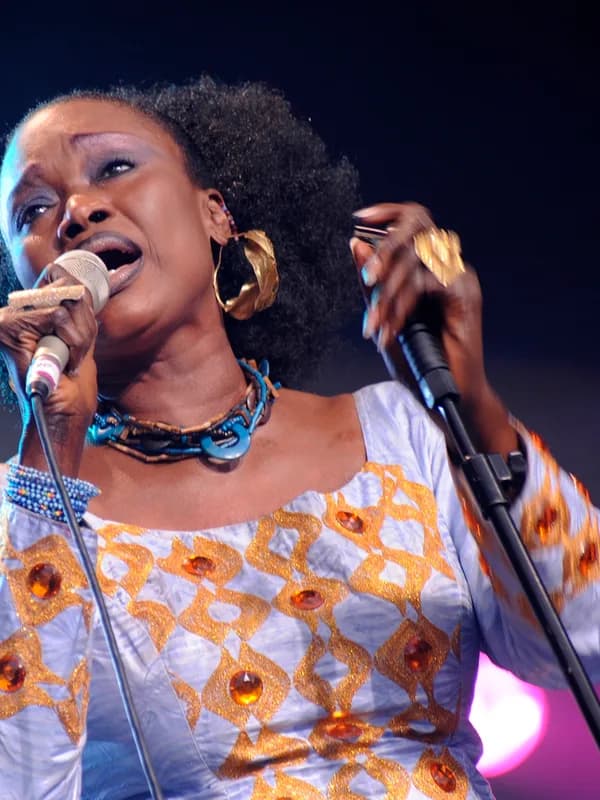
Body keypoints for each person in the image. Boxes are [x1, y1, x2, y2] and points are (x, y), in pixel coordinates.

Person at [0, 76, 597, 800]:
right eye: (33, 210)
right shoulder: (26, 514)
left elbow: (579, 641)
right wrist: (49, 458)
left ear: (215, 214)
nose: (76, 212)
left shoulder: (397, 432)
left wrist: (472, 401)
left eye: (114, 167)